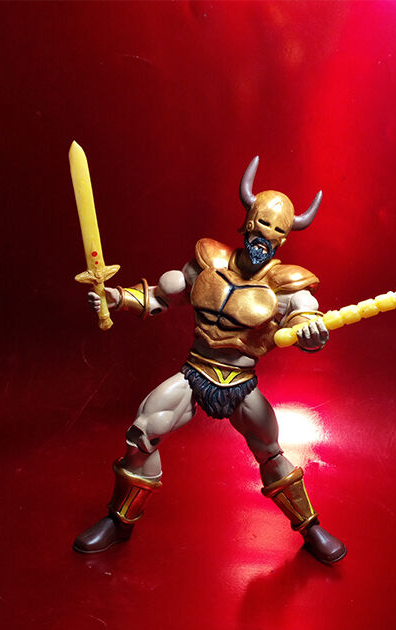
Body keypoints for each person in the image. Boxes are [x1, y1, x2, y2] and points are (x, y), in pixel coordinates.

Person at [73, 156, 347, 565]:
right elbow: (160, 298)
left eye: (275, 234)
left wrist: (312, 331)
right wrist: (117, 297)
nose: (264, 239)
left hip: (241, 382)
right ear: (248, 223)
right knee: (143, 432)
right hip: (196, 370)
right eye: (260, 227)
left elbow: (306, 318)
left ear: (284, 239)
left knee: (270, 452)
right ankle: (120, 521)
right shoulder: (208, 261)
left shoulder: (287, 285)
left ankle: (311, 528)